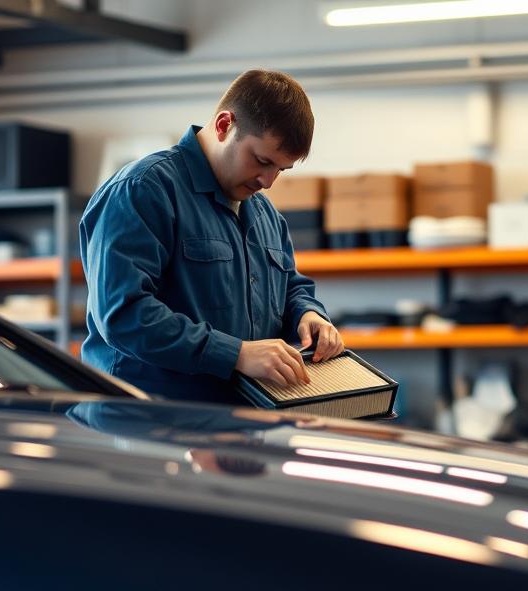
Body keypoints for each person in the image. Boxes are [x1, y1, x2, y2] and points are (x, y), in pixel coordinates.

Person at [79, 69, 344, 405]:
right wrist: (237, 355)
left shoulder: (265, 215)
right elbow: (124, 316)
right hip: (144, 425)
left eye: (281, 169)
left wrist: (308, 315)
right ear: (223, 126)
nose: (268, 181)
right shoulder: (142, 191)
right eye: (262, 161)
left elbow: (290, 286)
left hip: (236, 426)